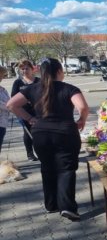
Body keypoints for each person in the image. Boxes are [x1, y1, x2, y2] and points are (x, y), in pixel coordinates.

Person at [7, 58, 89, 221]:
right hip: (65, 133)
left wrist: (30, 118)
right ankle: (67, 207)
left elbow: (11, 105)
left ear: (41, 72)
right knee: (66, 168)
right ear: (59, 71)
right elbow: (83, 107)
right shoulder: (69, 88)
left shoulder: (32, 89)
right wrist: (82, 120)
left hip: (41, 134)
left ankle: (51, 204)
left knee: (47, 167)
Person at [11, 60, 40, 161]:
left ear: (32, 69)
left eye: (27, 68)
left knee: (40, 132)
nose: (24, 70)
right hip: (24, 112)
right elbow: (13, 99)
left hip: (39, 112)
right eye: (22, 69)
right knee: (28, 132)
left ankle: (41, 151)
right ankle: (30, 153)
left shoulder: (39, 81)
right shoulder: (18, 82)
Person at [0, 67, 9, 155]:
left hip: (2, 123)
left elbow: (9, 101)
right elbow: (8, 105)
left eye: (1, 75)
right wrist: (10, 106)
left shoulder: (3, 90)